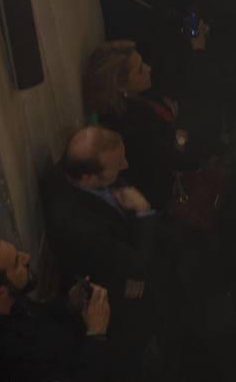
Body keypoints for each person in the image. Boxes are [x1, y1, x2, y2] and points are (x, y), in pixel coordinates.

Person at [42, 126, 159, 376]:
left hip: (121, 265)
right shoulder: (77, 226)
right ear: (87, 178)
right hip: (119, 308)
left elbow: (135, 264)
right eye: (119, 163)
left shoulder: (74, 168)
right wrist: (143, 212)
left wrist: (134, 266)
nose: (126, 166)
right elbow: (141, 265)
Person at [0, 234, 112, 382]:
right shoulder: (8, 356)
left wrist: (69, 304)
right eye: (16, 263)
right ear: (0, 292)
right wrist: (96, 334)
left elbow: (35, 312)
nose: (26, 257)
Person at [82, 41, 193, 212]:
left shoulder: (127, 106)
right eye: (140, 69)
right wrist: (181, 140)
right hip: (157, 201)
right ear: (119, 85)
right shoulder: (134, 121)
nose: (149, 68)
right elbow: (169, 158)